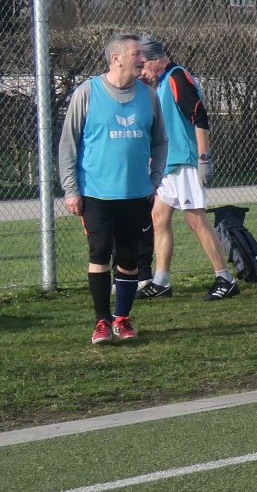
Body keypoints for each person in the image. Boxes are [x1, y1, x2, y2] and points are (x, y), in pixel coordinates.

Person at [58, 32, 168, 343]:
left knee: (129, 259)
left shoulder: (148, 96)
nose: (143, 59)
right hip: (96, 193)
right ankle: (102, 322)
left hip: (136, 194)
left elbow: (160, 141)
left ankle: (122, 318)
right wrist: (71, 189)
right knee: (100, 252)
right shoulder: (88, 93)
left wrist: (155, 179)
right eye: (136, 54)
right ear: (116, 58)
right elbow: (68, 144)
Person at [134, 35, 240, 301]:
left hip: (185, 162)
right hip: (169, 164)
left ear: (157, 59)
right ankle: (161, 282)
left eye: (144, 64)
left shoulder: (177, 77)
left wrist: (204, 158)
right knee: (159, 218)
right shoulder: (161, 83)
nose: (142, 71)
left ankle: (225, 279)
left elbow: (199, 116)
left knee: (195, 220)